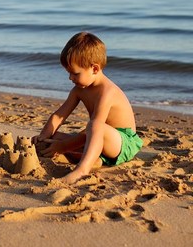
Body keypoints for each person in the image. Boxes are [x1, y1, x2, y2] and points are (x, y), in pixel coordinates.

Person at [32, 32, 143, 184]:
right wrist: (43, 138)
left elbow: (96, 126)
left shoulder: (107, 92)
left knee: (94, 125)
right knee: (53, 138)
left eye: (75, 73)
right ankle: (95, 160)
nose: (70, 78)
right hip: (98, 137)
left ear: (95, 69)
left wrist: (64, 146)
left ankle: (82, 170)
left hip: (122, 143)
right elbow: (59, 116)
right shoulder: (79, 90)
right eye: (69, 73)